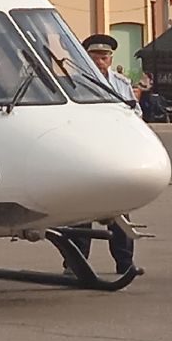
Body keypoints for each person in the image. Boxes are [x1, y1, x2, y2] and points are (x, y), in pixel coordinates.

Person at [62, 34, 142, 277]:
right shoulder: (71, 83)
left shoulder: (121, 83)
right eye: (94, 56)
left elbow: (136, 113)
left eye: (104, 57)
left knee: (120, 214)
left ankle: (125, 264)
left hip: (115, 155)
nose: (100, 61)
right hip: (85, 156)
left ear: (111, 59)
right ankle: (74, 265)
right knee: (79, 215)